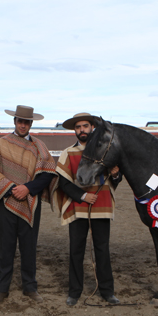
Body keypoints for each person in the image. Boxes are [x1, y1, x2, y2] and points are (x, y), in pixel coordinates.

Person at [0, 105, 58, 304]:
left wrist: (28, 188)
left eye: (27, 122)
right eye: (20, 121)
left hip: (31, 201)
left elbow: (48, 173)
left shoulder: (39, 146)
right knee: (5, 246)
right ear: (14, 122)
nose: (23, 125)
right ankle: (2, 288)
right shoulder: (1, 144)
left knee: (29, 246)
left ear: (31, 123)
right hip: (6, 200)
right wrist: (13, 188)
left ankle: (30, 287)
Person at [54, 113, 122, 306]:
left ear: (92, 127)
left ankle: (107, 291)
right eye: (78, 127)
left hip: (102, 205)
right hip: (78, 207)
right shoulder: (68, 153)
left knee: (102, 249)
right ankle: (74, 292)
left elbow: (115, 179)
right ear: (74, 131)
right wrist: (83, 196)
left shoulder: (105, 150)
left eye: (85, 126)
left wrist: (116, 175)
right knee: (76, 250)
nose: (81, 130)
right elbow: (63, 183)